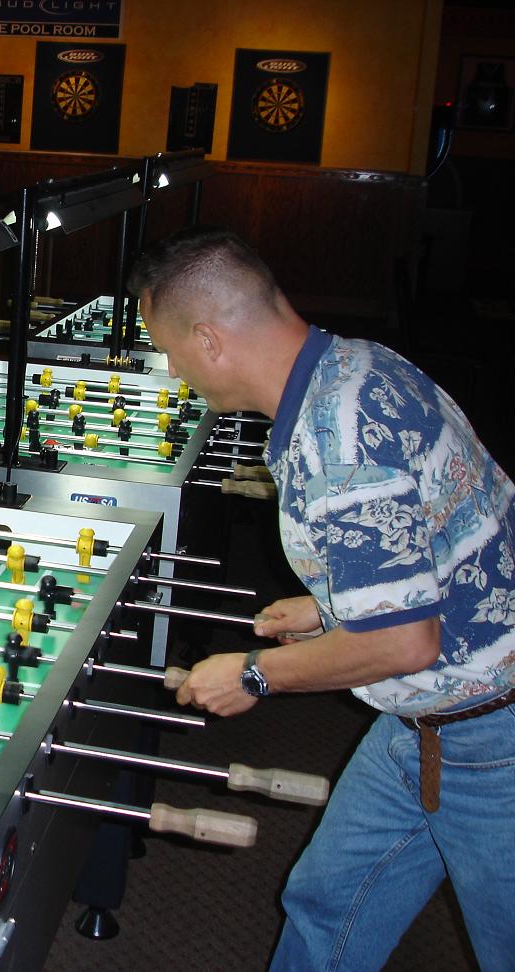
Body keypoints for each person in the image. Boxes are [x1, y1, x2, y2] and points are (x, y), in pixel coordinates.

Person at [129, 226, 515, 970]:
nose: (176, 372)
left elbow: (402, 641)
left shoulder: (335, 441)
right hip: (423, 723)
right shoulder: (360, 363)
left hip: (490, 736)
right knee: (327, 903)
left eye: (172, 352)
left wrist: (252, 675)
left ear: (209, 340)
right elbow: (428, 524)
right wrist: (333, 603)